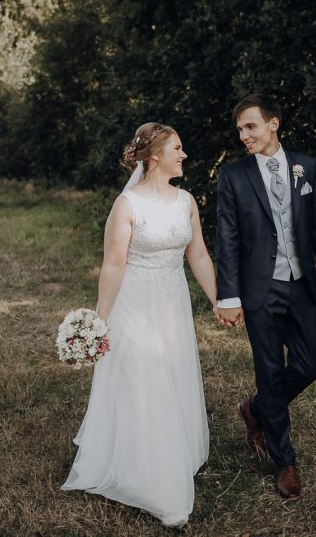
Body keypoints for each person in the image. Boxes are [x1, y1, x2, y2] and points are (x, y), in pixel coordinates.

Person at [62, 122, 216, 528]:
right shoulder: (127, 204)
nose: (184, 155)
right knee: (147, 383)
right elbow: (113, 264)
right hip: (135, 304)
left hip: (173, 303)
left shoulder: (186, 200)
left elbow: (198, 254)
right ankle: (160, 486)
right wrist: (100, 319)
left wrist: (219, 299)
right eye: (177, 148)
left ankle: (175, 452)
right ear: (155, 155)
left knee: (174, 373)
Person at [214, 93, 316, 500]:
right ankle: (284, 462)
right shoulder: (233, 176)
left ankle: (256, 409)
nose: (243, 135)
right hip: (258, 290)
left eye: (250, 126)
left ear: (273, 123)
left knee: (308, 367)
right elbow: (228, 240)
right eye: (239, 130)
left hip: (300, 285)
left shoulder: (308, 167)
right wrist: (229, 295)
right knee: (270, 372)